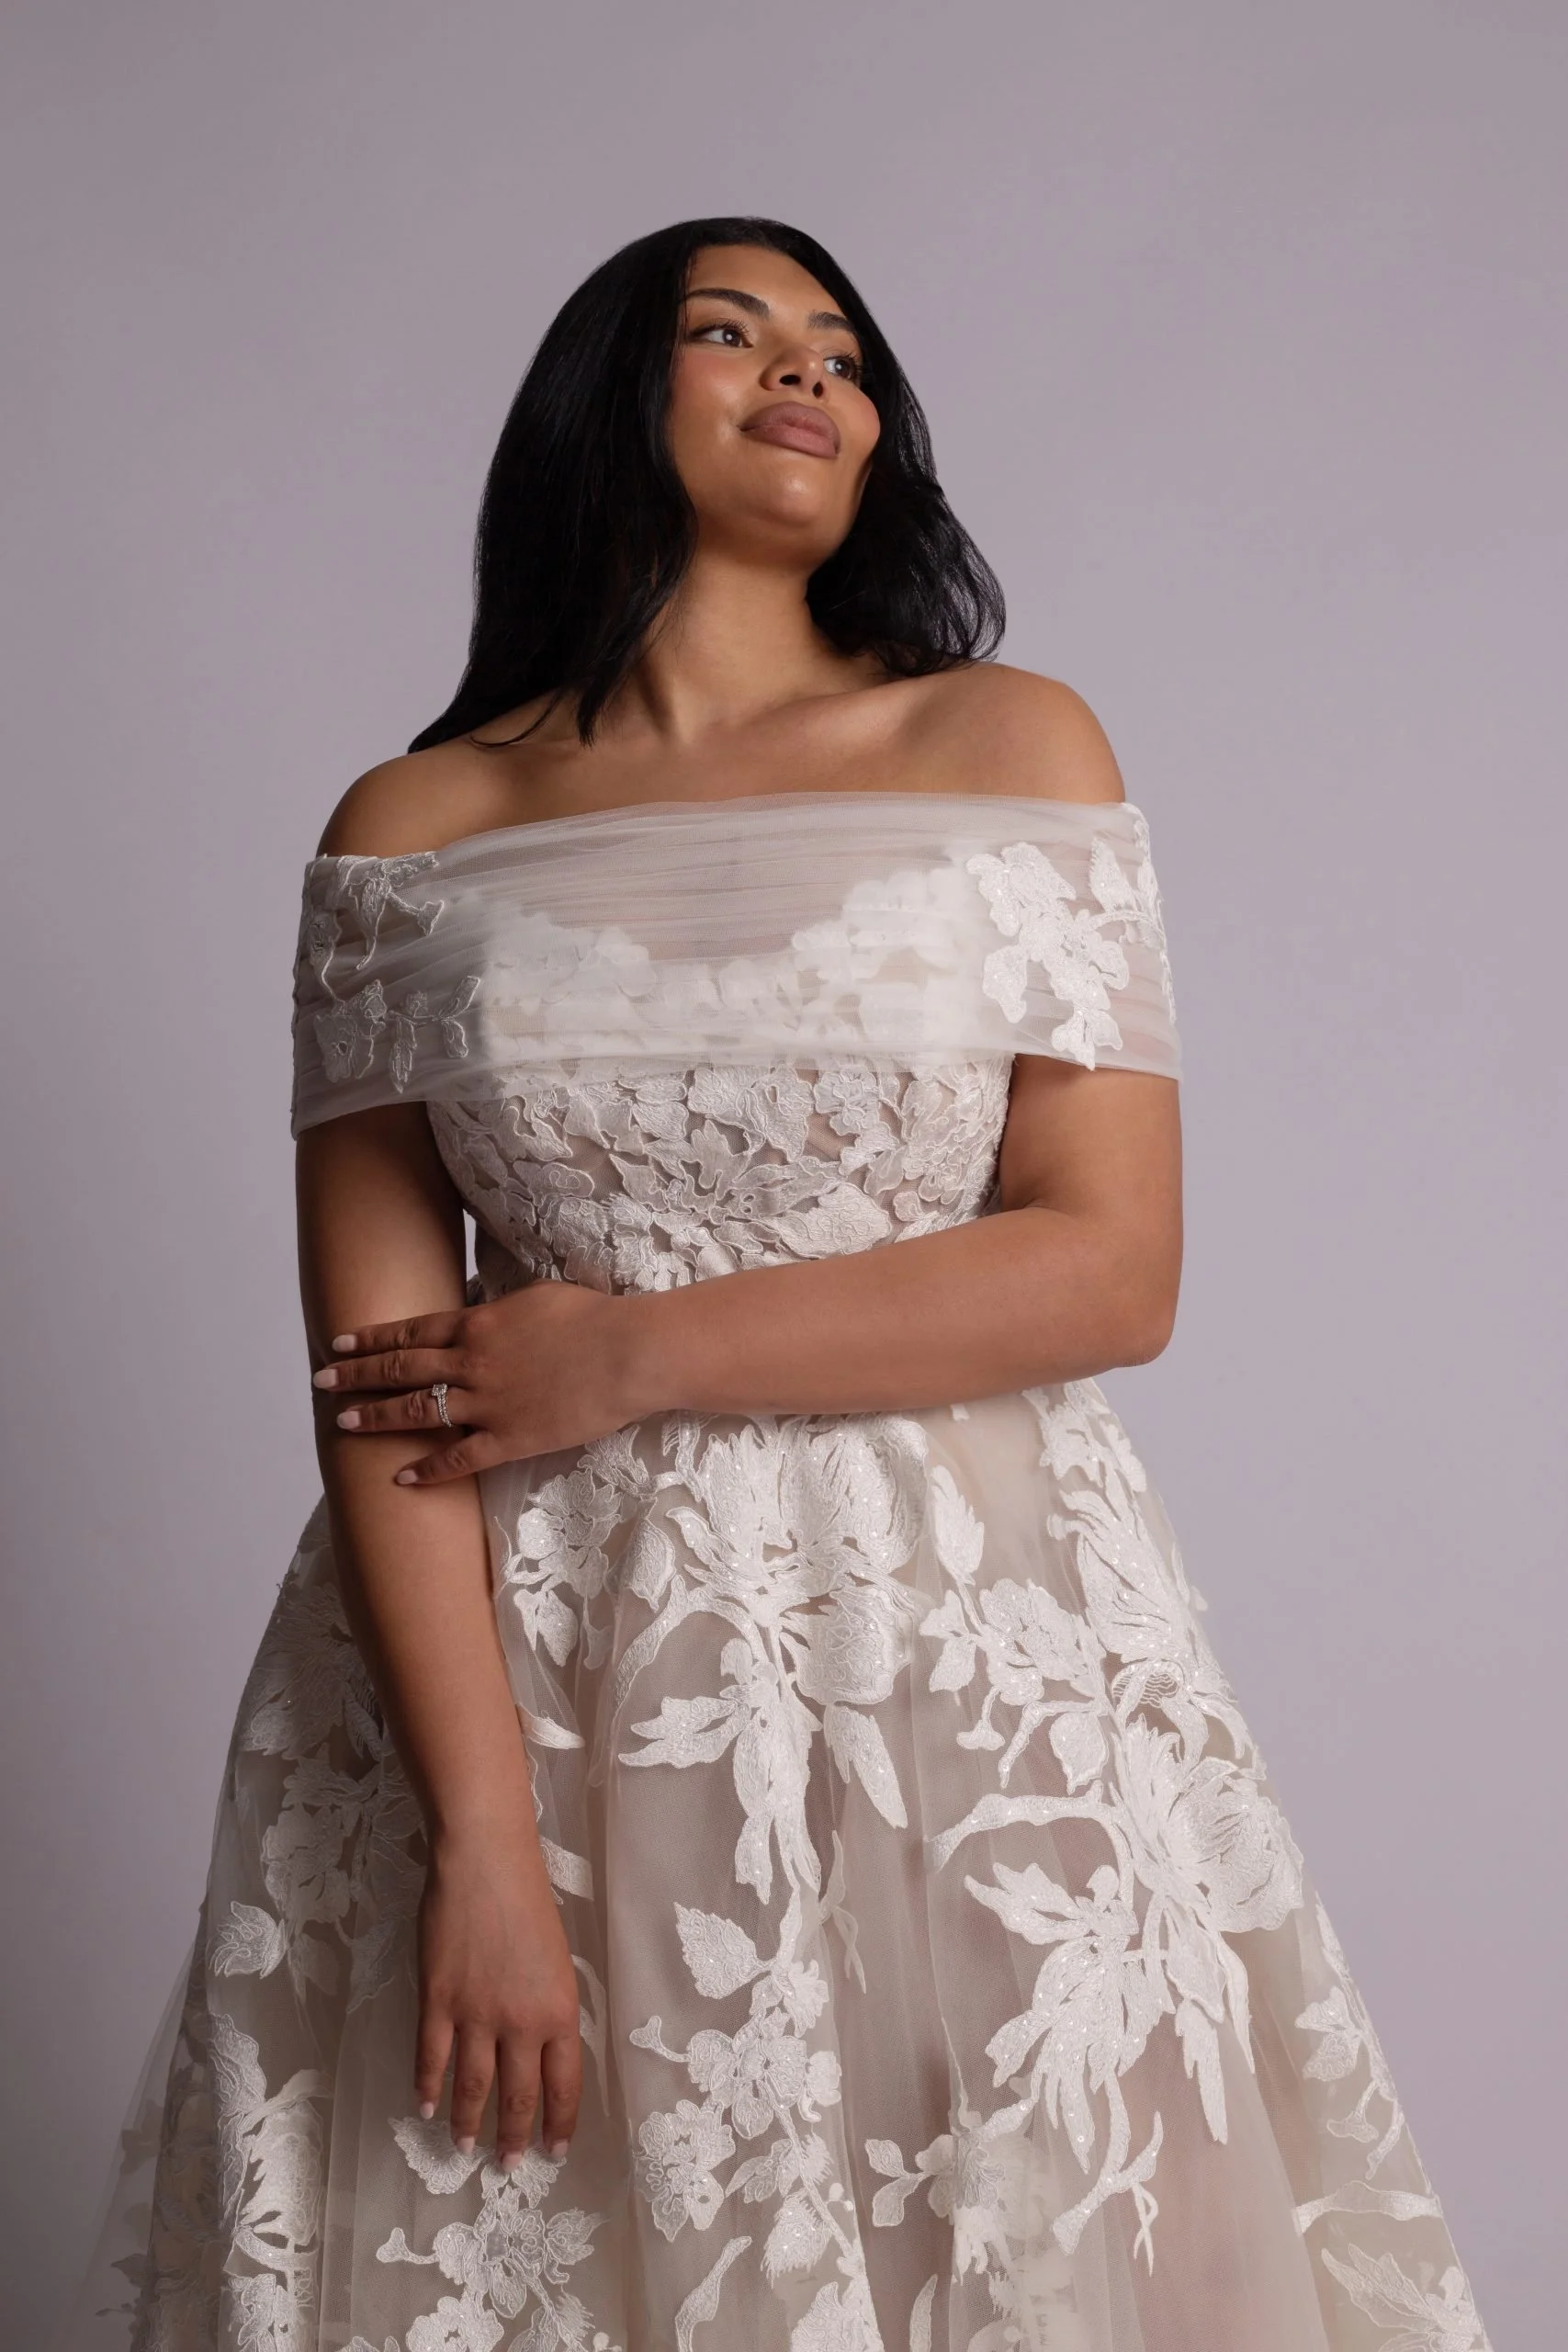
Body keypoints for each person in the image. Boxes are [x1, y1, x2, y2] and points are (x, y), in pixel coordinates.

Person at [62, 216, 1490, 2352]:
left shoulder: (1010, 743)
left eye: (838, 347)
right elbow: (377, 1388)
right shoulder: (413, 826)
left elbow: (1108, 1267)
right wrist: (477, 1845)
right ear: (603, 402)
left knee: (1072, 2247)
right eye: (729, 332)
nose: (803, 373)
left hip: (964, 1663)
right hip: (515, 1698)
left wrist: (623, 1349)